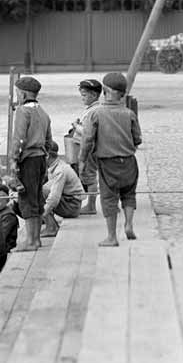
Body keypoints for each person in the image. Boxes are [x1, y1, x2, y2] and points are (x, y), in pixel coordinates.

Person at [78, 72, 142, 247]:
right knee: (129, 194)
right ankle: (129, 224)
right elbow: (137, 139)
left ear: (105, 90)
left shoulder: (96, 114)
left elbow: (87, 140)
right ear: (122, 93)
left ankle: (112, 237)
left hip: (107, 162)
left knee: (109, 198)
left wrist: (82, 160)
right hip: (129, 161)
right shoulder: (129, 113)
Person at [9, 75, 52, 251]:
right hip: (41, 158)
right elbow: (49, 140)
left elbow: (19, 138)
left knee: (26, 200)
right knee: (37, 199)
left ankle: (31, 241)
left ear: (24, 93)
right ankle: (36, 240)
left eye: (18, 93)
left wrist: (13, 159)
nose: (17, 96)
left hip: (28, 160)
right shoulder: (42, 111)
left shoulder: (22, 111)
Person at [68, 78, 102, 214]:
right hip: (86, 147)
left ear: (94, 95)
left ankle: (91, 206)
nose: (82, 98)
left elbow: (89, 133)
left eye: (84, 95)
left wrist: (76, 127)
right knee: (88, 176)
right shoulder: (91, 109)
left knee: (89, 177)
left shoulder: (93, 111)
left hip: (87, 149)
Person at [41, 140, 85, 237]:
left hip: (72, 206)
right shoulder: (56, 166)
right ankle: (49, 224)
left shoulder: (60, 170)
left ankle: (51, 227)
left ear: (47, 155)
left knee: (40, 192)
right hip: (70, 202)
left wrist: (42, 214)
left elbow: (54, 198)